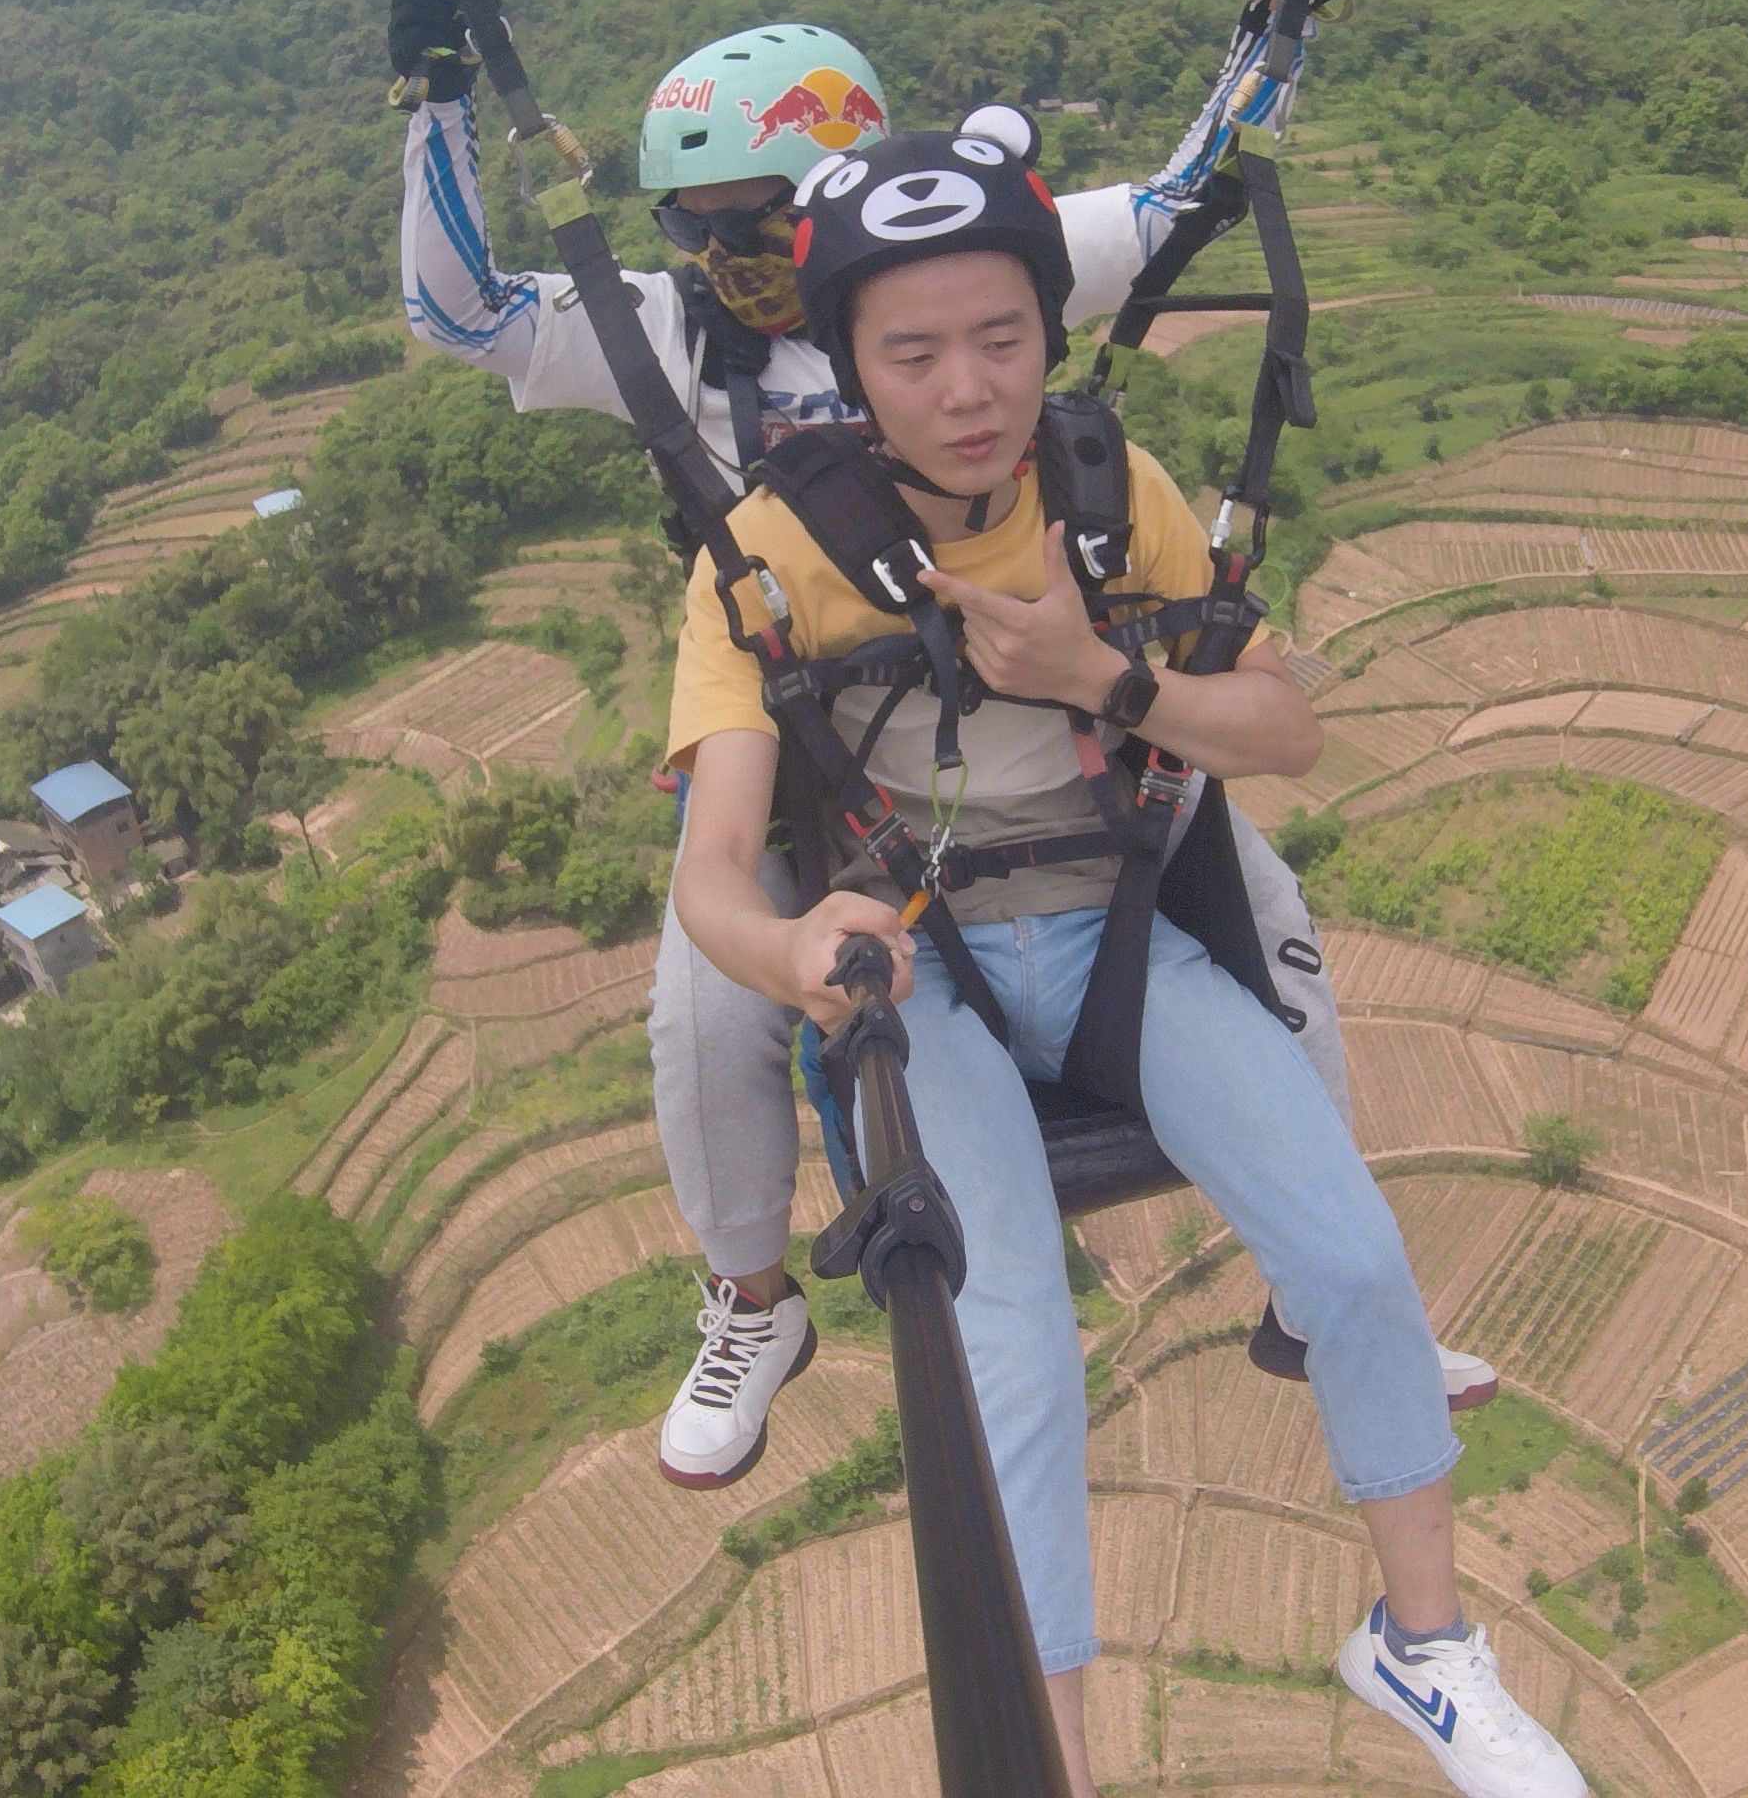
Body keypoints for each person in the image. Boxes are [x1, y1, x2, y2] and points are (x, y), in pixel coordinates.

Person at [390, 0, 1491, 1492]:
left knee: (1269, 936)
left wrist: (1276, 22)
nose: (732, 265)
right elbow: (461, 313)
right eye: (697, 235)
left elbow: (1183, 199)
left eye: (759, 227)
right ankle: (750, 1301)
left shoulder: (950, 271)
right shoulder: (659, 332)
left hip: (1044, 742)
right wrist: (435, 104)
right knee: (706, 1013)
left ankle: (1337, 1296)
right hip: (817, 771)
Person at [659, 117, 1582, 1798]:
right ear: (851, 368)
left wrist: (1109, 676)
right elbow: (715, 872)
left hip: (1104, 930)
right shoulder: (768, 560)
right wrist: (795, 946)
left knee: (1361, 1261)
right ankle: (1054, 1764)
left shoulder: (1105, 494)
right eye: (916, 352)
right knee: (1011, 1339)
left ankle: (1423, 1648)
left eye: (1002, 337)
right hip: (914, 970)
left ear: (1046, 333)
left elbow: (1285, 731)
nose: (968, 389)